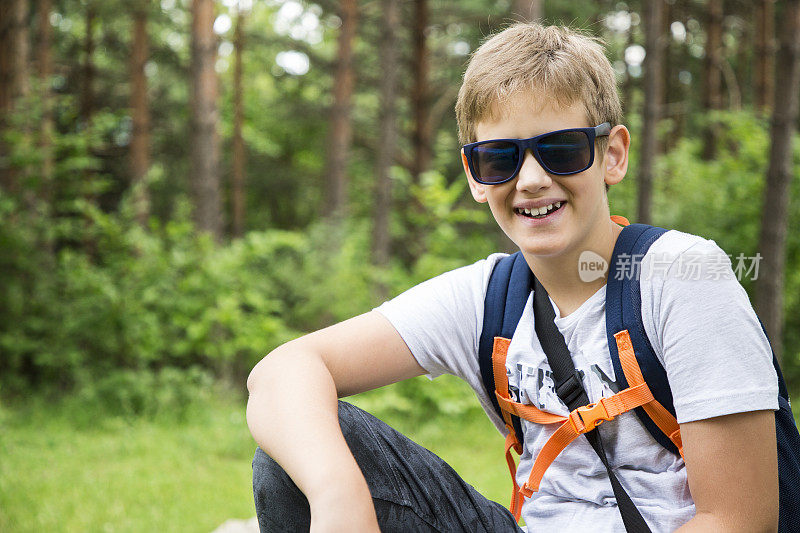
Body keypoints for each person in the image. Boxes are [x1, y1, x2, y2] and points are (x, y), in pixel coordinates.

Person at [246, 22, 779, 532]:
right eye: (499, 158)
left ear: (611, 155)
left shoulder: (682, 278)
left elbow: (738, 520)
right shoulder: (488, 299)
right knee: (297, 450)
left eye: (562, 149)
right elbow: (282, 372)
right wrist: (340, 496)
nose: (530, 180)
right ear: (475, 176)